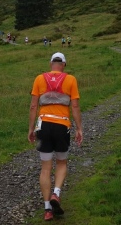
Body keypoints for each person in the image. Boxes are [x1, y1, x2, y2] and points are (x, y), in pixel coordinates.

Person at [28, 52, 83, 221]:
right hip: (62, 125)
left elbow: (33, 106)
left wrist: (31, 129)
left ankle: (47, 209)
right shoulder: (71, 79)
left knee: (45, 168)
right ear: (64, 65)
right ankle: (56, 193)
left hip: (43, 125)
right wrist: (79, 129)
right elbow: (75, 106)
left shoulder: (39, 79)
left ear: (50, 63)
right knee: (61, 162)